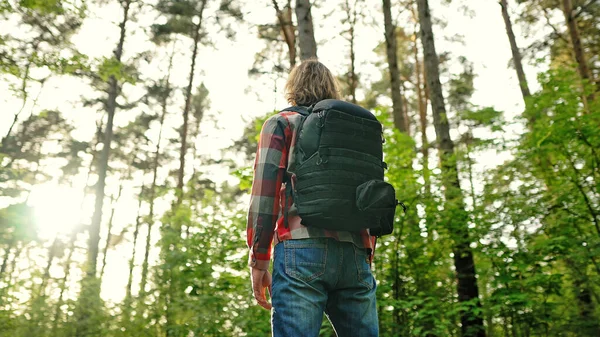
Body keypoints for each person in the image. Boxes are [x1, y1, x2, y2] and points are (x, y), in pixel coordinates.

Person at [246, 58, 379, 337]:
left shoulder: (281, 123)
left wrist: (259, 259)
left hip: (299, 249)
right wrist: (368, 251)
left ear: (292, 88)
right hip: (355, 252)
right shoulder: (356, 130)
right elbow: (371, 190)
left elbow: (264, 194)